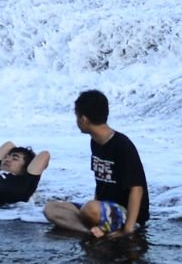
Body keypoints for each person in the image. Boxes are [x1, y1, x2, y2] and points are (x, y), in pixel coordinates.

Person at [43, 89, 150, 239]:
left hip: (127, 213)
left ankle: (107, 228)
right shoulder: (95, 142)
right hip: (104, 207)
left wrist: (128, 228)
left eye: (76, 116)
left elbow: (137, 189)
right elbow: (101, 181)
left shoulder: (122, 145)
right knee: (51, 208)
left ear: (83, 119)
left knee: (90, 208)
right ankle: (92, 232)